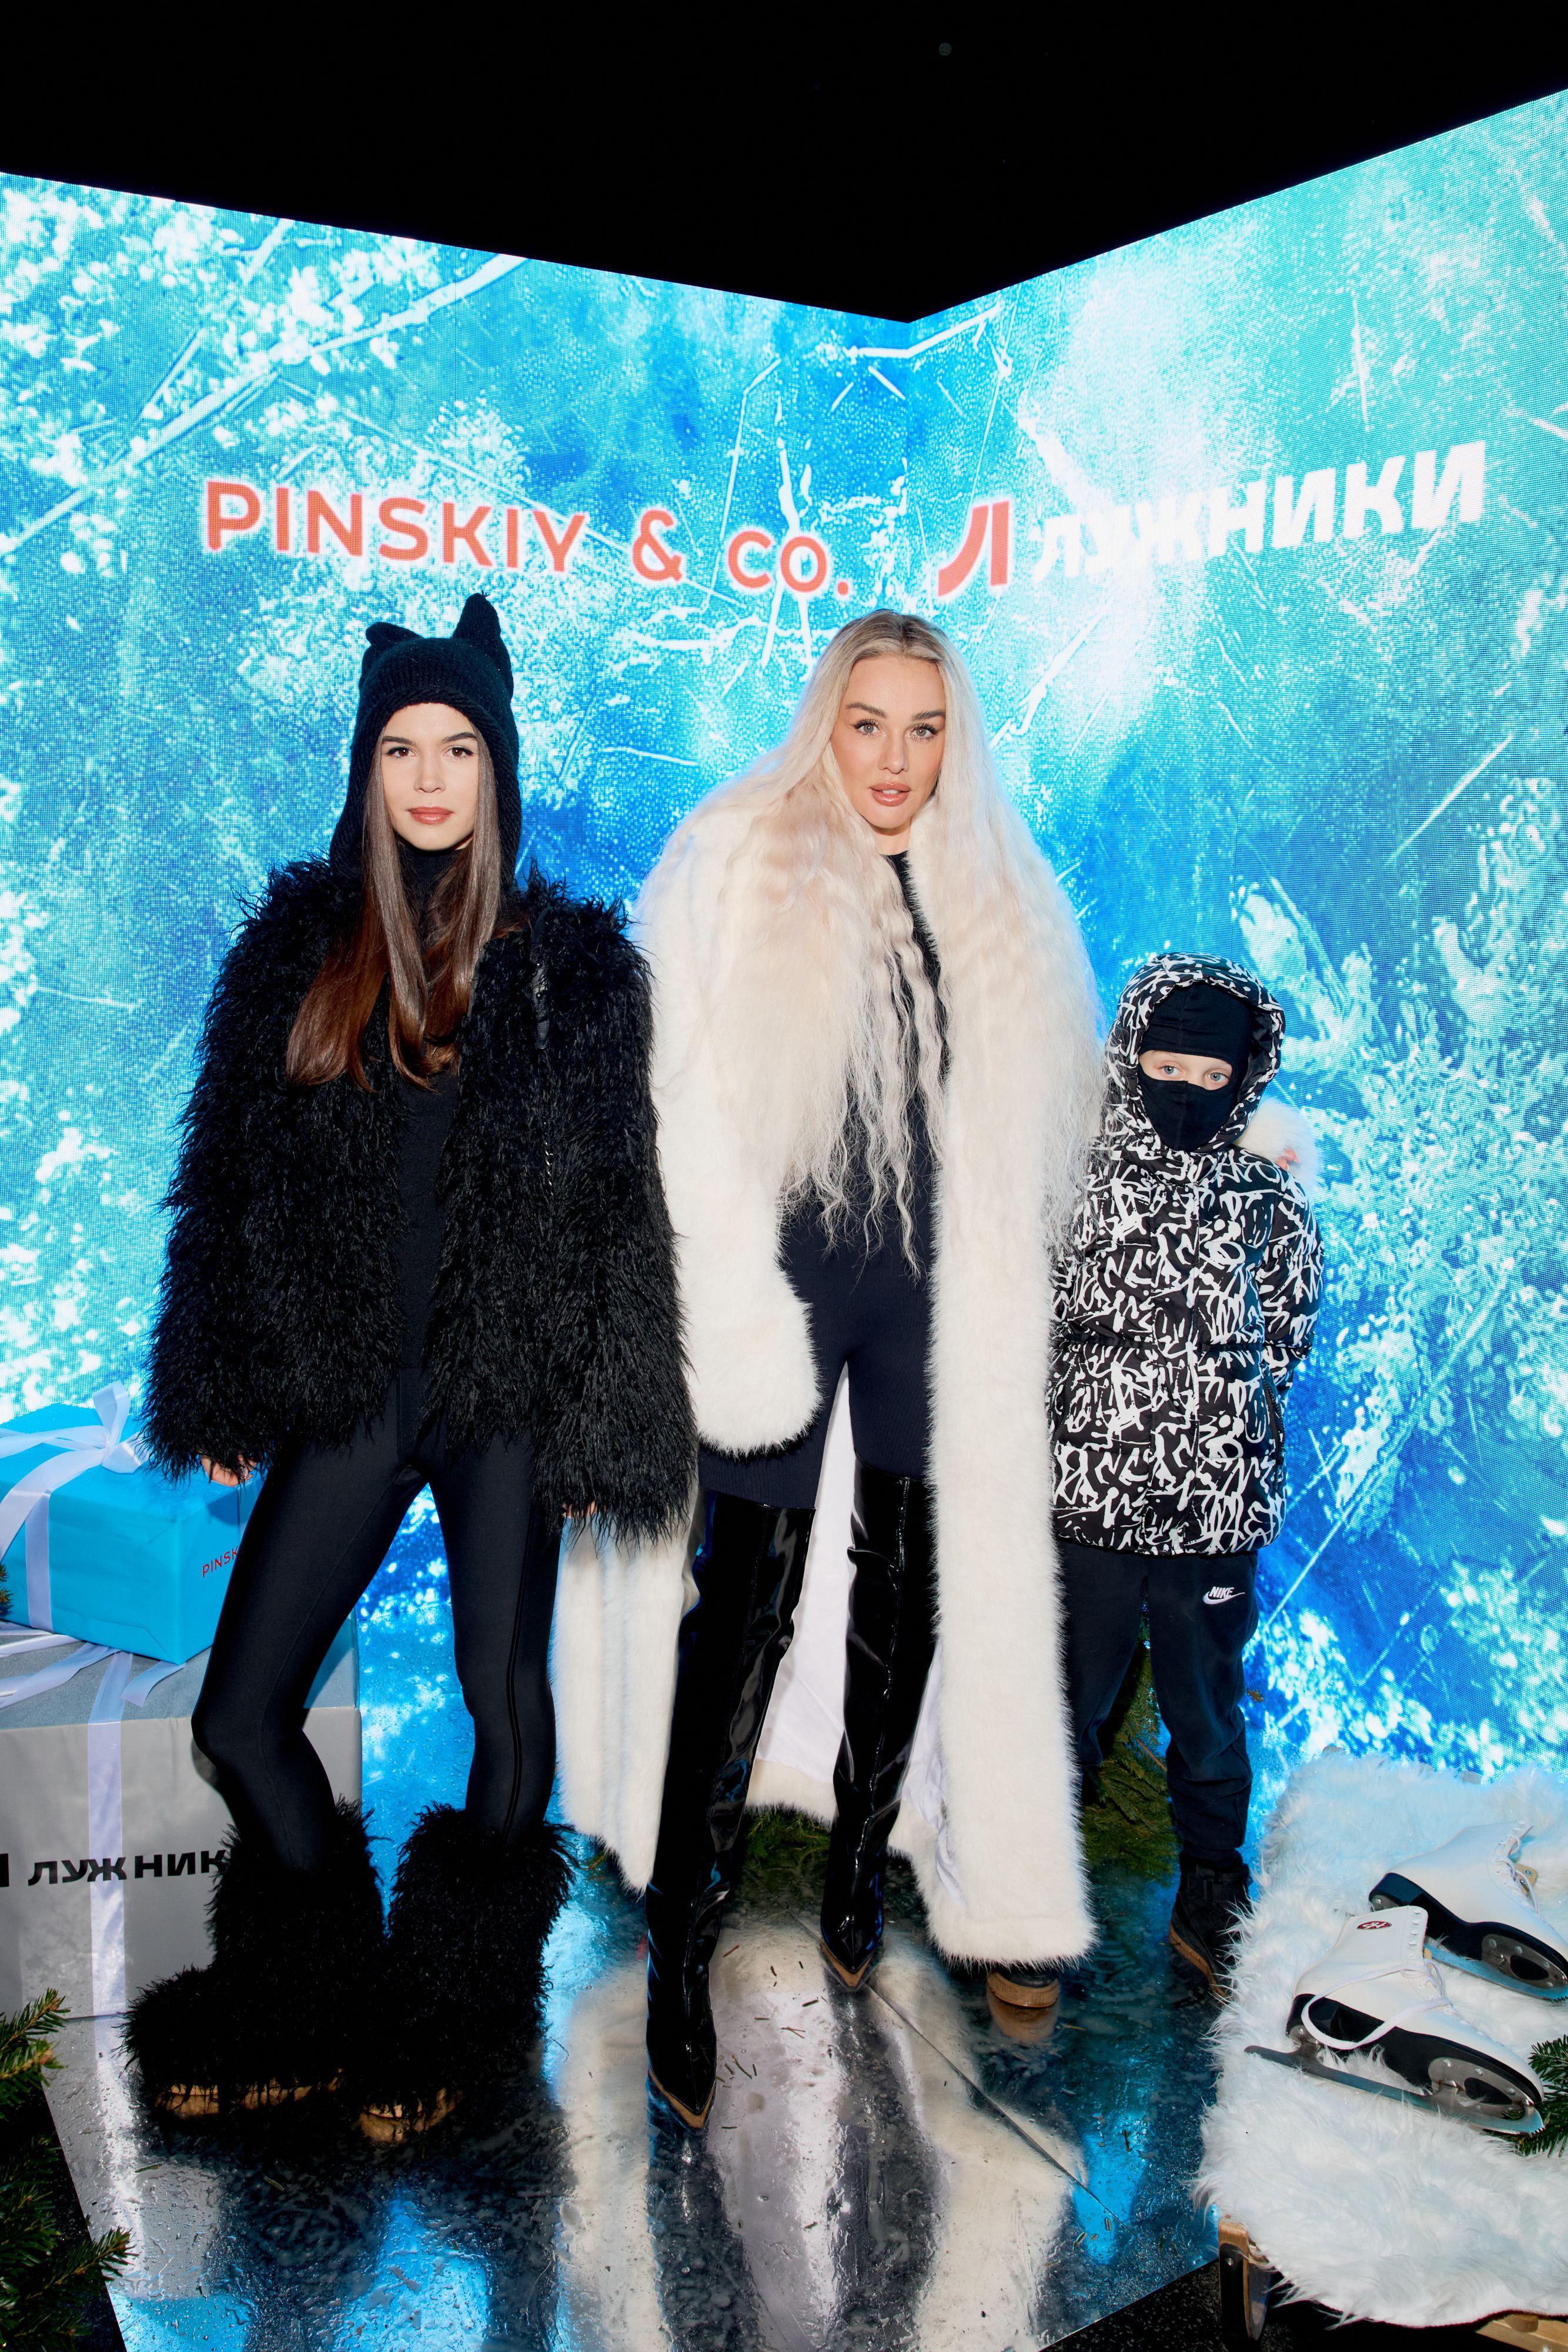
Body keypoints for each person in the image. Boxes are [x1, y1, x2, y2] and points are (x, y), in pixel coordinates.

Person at [127, 594, 693, 2136]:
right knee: (240, 1716)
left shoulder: (573, 969)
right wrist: (216, 1371)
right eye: (401, 748)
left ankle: (457, 2009)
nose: (431, 777)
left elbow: (621, 1214)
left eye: (459, 747)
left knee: (504, 1702)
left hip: (504, 1395)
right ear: (366, 768)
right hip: (354, 1390)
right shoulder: (298, 953)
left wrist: (606, 1420)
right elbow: (226, 1181)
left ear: (498, 768)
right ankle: (314, 1991)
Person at [550, 609, 1104, 2130]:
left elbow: (1057, 1116)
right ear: (826, 722)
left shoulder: (1003, 886)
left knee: (910, 1586)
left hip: (935, 1294)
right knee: (742, 1597)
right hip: (782, 1287)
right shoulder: (736, 853)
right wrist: (704, 1284)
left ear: (954, 738)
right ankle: (682, 1943)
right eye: (868, 722)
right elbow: (669, 1089)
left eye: (924, 727)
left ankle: (862, 1862)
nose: (894, 756)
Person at [1015, 952, 1323, 1997]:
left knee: (1207, 1703)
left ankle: (1210, 1885)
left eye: (1213, 1076)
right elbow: (1036, 1319)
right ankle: (1032, 1887)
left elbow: (1286, 1337)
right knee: (1066, 1694)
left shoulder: (1270, 1201)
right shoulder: (1075, 1178)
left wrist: (1217, 1422)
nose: (1189, 1090)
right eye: (1168, 1068)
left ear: (1245, 1079)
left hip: (1215, 1514)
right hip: (1087, 1504)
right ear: (1131, 1057)